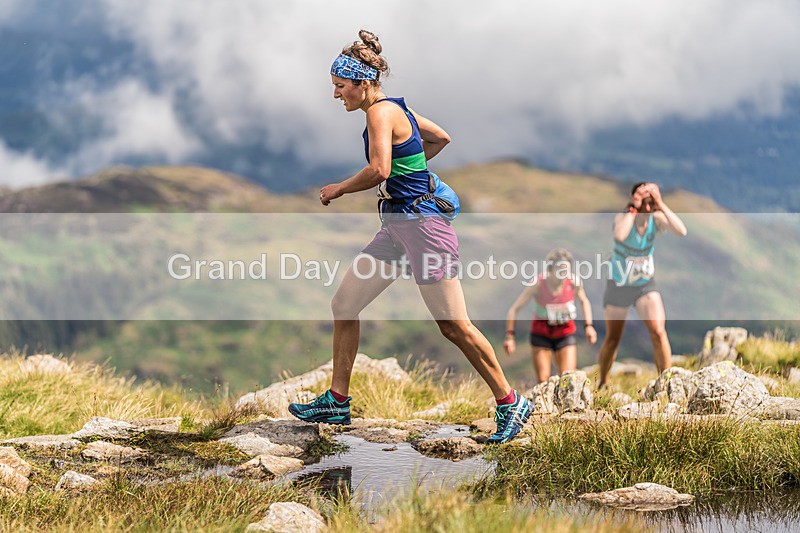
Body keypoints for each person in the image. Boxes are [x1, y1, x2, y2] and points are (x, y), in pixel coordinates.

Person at [288, 30, 531, 444]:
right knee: (345, 303)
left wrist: (339, 188)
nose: (336, 95)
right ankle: (337, 400)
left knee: (454, 326)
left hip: (423, 229)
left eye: (340, 87)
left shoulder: (380, 113)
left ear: (362, 83)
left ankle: (511, 403)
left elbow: (380, 169)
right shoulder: (398, 109)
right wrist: (412, 168)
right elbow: (440, 138)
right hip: (398, 228)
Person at [597, 182, 688, 388]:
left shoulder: (656, 220)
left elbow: (681, 231)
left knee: (658, 331)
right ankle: (603, 380)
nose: (647, 209)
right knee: (613, 339)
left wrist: (661, 204)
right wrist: (633, 206)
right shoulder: (623, 218)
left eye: (650, 204)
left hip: (645, 284)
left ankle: (666, 382)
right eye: (643, 204)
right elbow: (619, 235)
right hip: (619, 285)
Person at [503, 249, 597, 383]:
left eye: (566, 269)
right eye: (559, 269)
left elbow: (584, 301)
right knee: (543, 380)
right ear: (551, 269)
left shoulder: (574, 282)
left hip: (565, 332)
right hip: (541, 334)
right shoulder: (538, 284)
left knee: (567, 378)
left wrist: (589, 326)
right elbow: (514, 309)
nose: (563, 273)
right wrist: (510, 336)